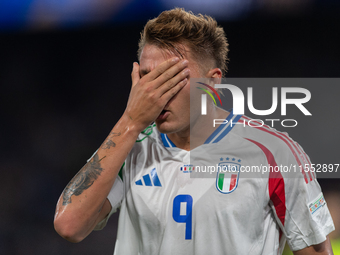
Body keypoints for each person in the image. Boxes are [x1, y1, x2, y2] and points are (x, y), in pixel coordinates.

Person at [54, 8, 335, 255]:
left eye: (172, 78)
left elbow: (315, 251)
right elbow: (70, 225)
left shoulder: (273, 152)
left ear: (212, 83)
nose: (155, 95)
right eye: (147, 79)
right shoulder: (130, 145)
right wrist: (130, 120)